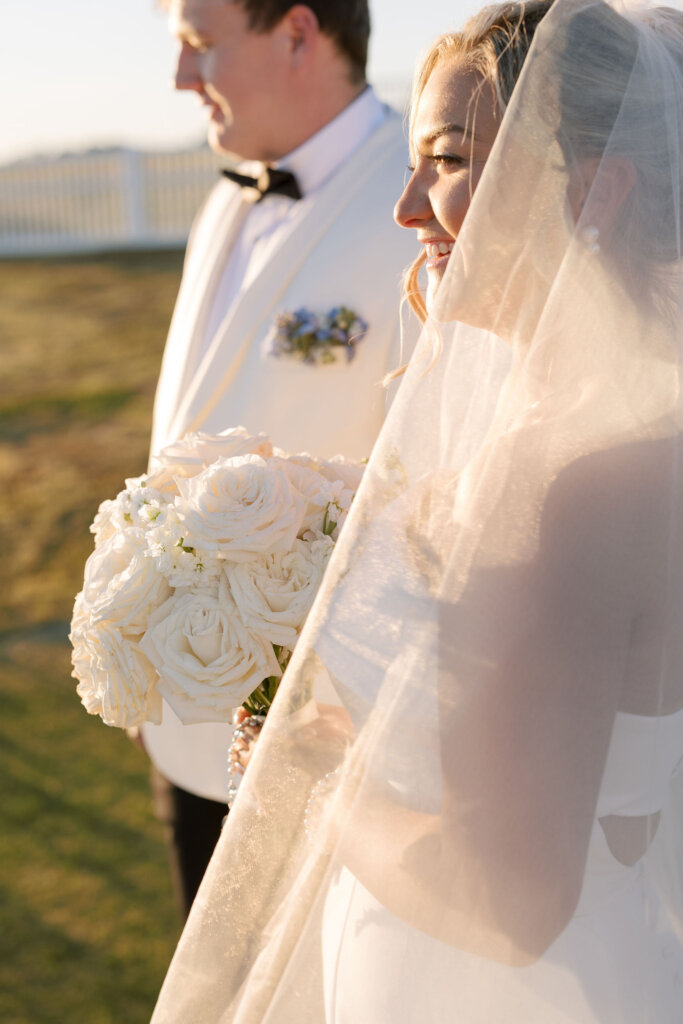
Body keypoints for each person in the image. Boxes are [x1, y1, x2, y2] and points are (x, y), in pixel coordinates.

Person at [150, 0, 683, 1021]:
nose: (403, 206)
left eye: (445, 159)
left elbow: (510, 898)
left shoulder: (568, 480)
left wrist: (310, 765)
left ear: (597, 188)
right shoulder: (603, 426)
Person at [138, 0, 418, 917]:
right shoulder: (222, 204)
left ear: (299, 33)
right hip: (183, 723)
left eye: (200, 45)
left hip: (332, 742)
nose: (182, 78)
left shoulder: (423, 206)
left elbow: (430, 481)